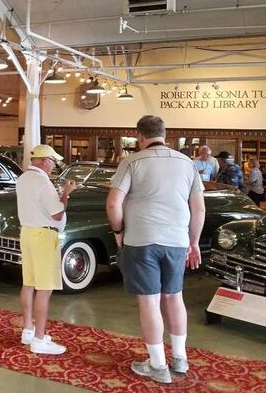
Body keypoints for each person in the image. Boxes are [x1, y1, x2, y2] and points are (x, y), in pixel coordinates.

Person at [106, 115, 205, 384]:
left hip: (142, 240)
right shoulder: (187, 163)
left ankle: (158, 365)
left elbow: (114, 203)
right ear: (165, 134)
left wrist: (118, 231)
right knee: (174, 296)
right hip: (177, 240)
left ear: (139, 136)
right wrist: (194, 242)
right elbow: (198, 208)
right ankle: (180, 358)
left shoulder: (132, 162)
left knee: (149, 300)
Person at [16, 145, 76, 355]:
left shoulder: (23, 178)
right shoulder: (43, 182)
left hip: (27, 233)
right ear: (44, 161)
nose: (54, 165)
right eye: (52, 161)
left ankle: (28, 330)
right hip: (43, 236)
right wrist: (66, 194)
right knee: (45, 288)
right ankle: (39, 339)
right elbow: (57, 214)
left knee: (29, 283)